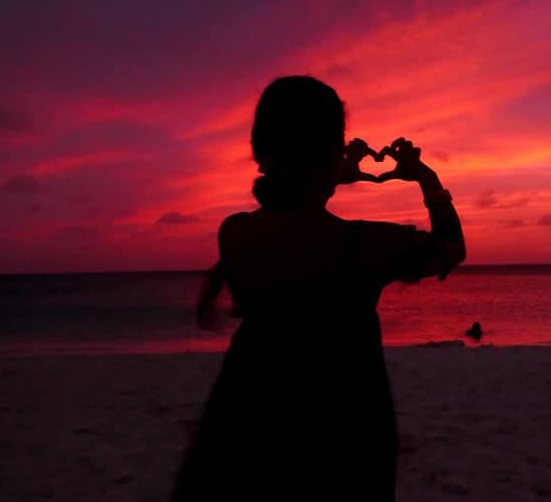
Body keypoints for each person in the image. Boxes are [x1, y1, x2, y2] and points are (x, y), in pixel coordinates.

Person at [171, 75, 466, 501]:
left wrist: (329, 173)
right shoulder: (365, 246)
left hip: (244, 431)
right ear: (329, 152)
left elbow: (289, 207)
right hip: (340, 446)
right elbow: (451, 248)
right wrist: (426, 178)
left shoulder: (234, 234)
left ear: (260, 151)